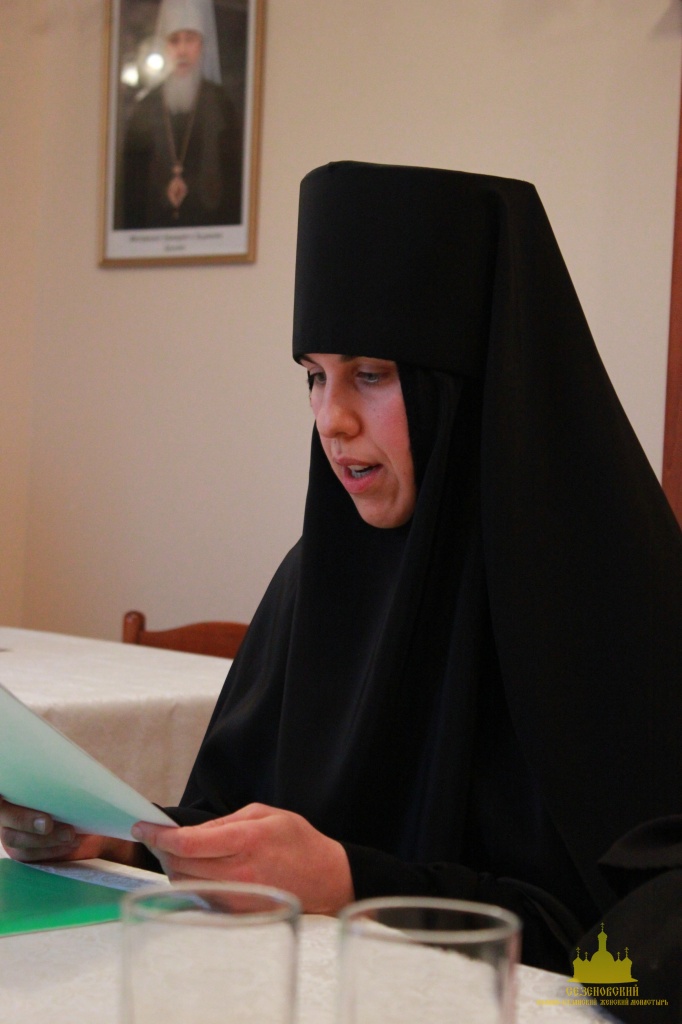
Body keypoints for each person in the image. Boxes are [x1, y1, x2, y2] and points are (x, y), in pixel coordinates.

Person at [3, 162, 681, 1015]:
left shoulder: (597, 596)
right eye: (315, 376)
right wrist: (122, 840)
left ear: (467, 384)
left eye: (371, 373)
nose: (332, 420)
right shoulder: (317, 576)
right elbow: (239, 821)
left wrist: (354, 881)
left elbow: (621, 961)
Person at [116, 0, 243, 229]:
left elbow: (234, 184)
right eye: (174, 40)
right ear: (165, 47)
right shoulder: (146, 108)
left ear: (202, 45)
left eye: (190, 39)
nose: (182, 50)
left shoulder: (221, 105)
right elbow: (132, 188)